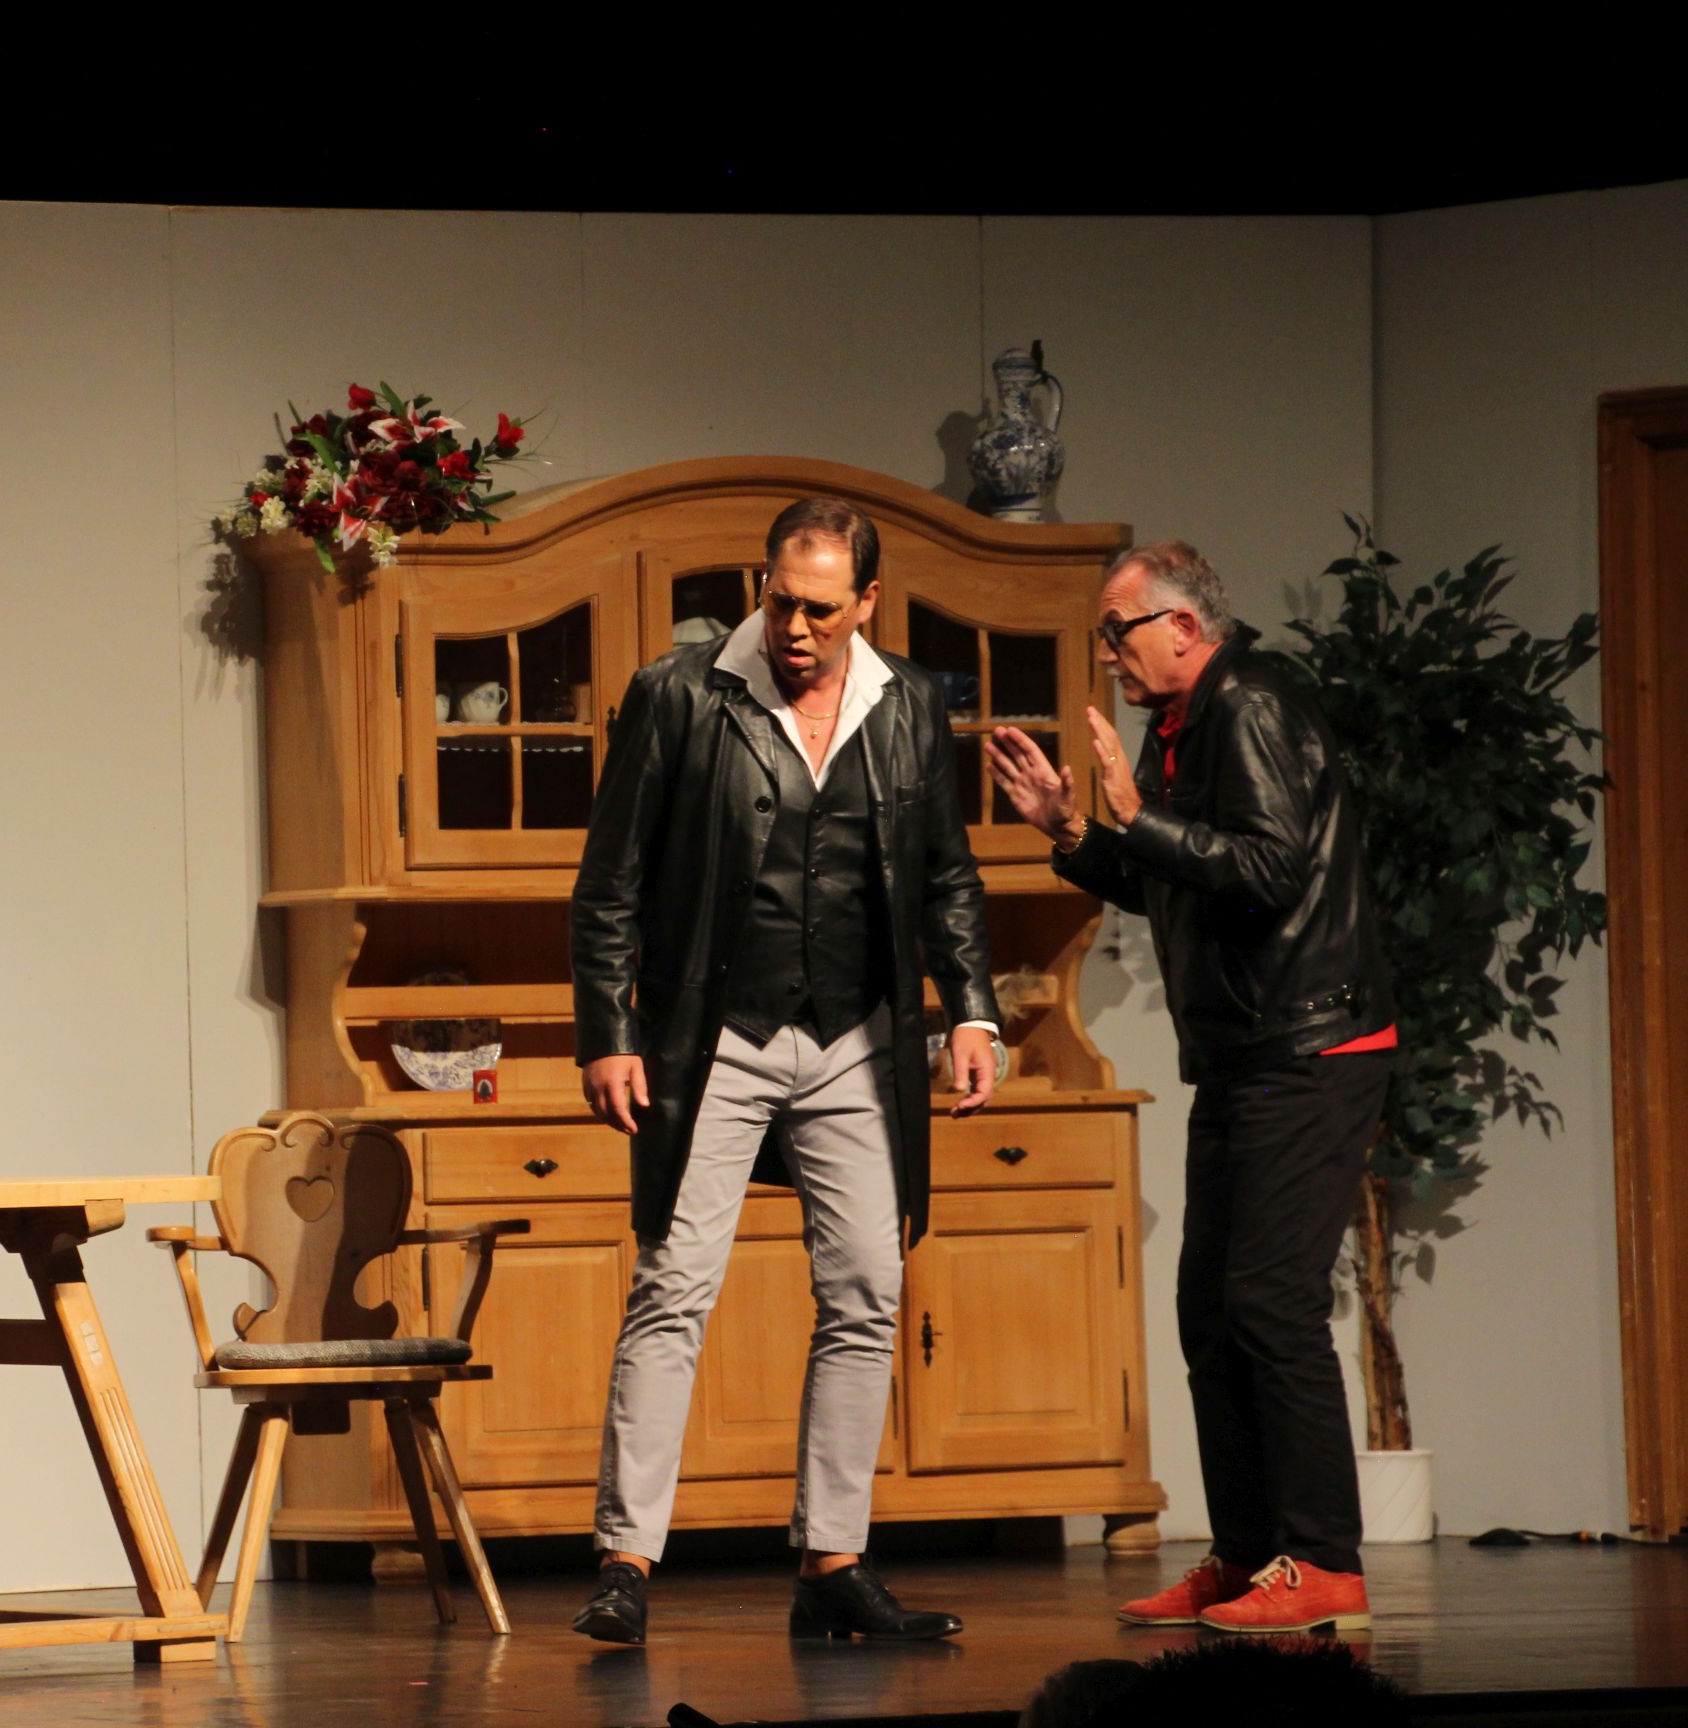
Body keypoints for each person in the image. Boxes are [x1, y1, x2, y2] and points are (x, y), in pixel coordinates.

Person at [567, 496, 1001, 1645]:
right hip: (718, 1034)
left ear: (867, 602)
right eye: (779, 602)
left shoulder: (909, 704)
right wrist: (609, 1030)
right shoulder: (682, 694)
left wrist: (973, 1012)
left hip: (856, 1037)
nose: (795, 628)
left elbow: (947, 876)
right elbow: (610, 881)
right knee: (674, 1286)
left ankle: (833, 1561)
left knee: (867, 1289)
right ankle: (625, 1562)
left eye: (820, 609)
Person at [986, 541, 1397, 1636]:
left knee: (1270, 1303)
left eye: (1115, 630)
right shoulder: (1182, 721)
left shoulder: (1249, 706)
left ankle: (1326, 1563)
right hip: (1246, 1052)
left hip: (1312, 1047)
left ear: (1181, 625)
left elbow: (1267, 873)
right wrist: (1076, 831)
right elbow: (1180, 878)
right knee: (1210, 1310)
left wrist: (1137, 815)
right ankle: (1251, 1554)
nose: (1106, 652)